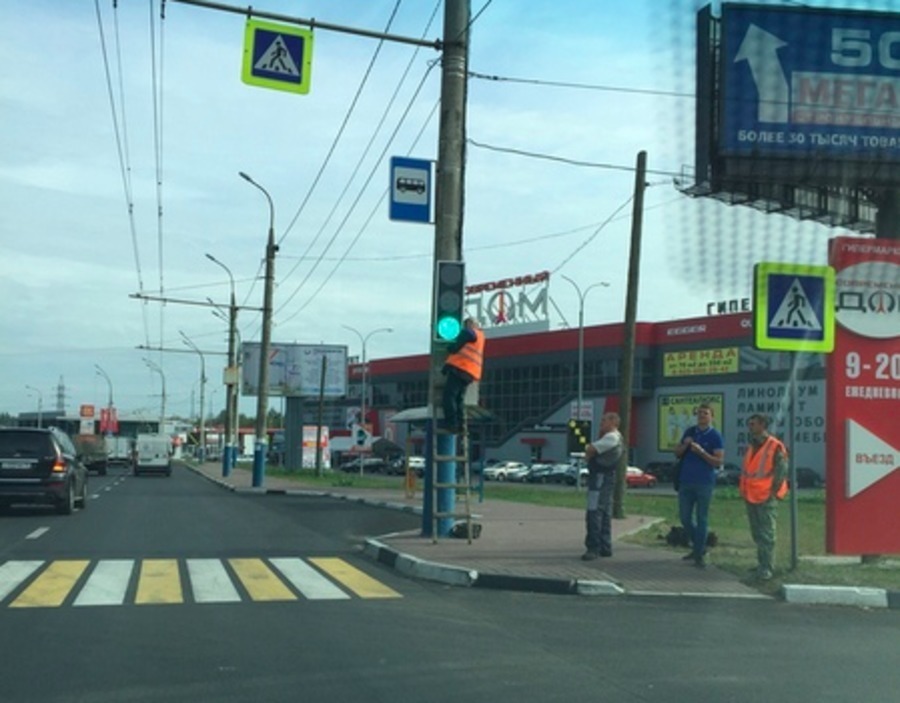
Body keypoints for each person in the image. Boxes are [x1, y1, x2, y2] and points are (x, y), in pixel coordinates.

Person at [673, 404, 724, 567]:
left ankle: (699, 554)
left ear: (711, 417)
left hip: (704, 482)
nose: (702, 416)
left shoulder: (715, 436)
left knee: (702, 518)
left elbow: (718, 461)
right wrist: (686, 445)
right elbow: (677, 452)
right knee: (685, 518)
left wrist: (701, 452)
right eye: (700, 413)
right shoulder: (690, 432)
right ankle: (699, 547)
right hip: (686, 480)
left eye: (706, 413)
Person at [740, 413, 788, 581]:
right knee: (757, 533)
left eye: (753, 424)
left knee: (767, 534)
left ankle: (767, 568)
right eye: (750, 423)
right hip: (751, 495)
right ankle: (762, 564)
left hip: (766, 496)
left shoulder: (775, 446)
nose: (750, 427)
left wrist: (773, 492)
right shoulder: (752, 446)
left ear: (762, 425)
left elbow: (781, 471)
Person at [581, 412, 624, 560]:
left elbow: (591, 448)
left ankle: (593, 547)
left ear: (613, 422)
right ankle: (605, 546)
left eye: (604, 420)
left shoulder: (611, 437)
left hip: (600, 478)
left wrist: (588, 456)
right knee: (605, 512)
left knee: (594, 511)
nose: (601, 423)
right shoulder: (617, 438)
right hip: (608, 477)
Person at [441, 317, 485, 434]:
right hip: (469, 373)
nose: (465, 327)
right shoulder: (480, 336)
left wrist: (449, 347)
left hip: (461, 369)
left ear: (471, 324)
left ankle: (452, 424)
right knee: (458, 399)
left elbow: (455, 348)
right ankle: (460, 425)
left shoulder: (471, 332)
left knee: (449, 397)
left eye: (466, 324)